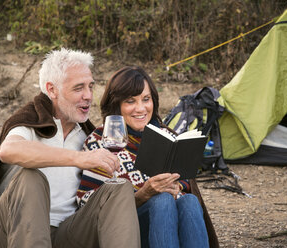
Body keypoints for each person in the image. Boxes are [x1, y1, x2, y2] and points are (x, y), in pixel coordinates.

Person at [0, 49, 140, 248]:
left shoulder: (88, 136)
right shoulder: (31, 121)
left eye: (91, 86)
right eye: (78, 88)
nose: (89, 96)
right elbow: (9, 150)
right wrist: (78, 158)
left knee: (119, 189)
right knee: (30, 178)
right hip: (6, 232)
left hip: (64, 234)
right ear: (52, 90)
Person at [77, 66, 219, 248]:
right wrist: (143, 194)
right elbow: (86, 203)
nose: (141, 108)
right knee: (161, 201)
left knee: (190, 201)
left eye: (146, 99)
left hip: (170, 224)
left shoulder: (166, 136)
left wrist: (175, 184)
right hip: (123, 232)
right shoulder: (100, 141)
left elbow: (185, 182)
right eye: (130, 101)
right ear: (117, 104)